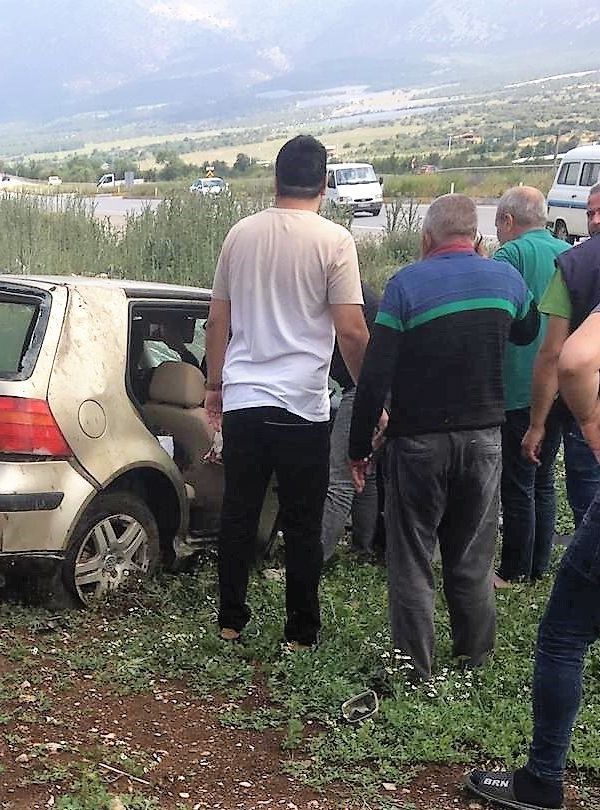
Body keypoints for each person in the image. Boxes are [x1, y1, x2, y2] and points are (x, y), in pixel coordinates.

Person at [465, 183, 600, 810]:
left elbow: (566, 356)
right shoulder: (562, 252)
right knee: (552, 489)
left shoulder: (581, 266)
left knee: (564, 634)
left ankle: (541, 781)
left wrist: (588, 417)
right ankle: (530, 561)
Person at [348, 194, 540, 681]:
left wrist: (358, 448)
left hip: (417, 443)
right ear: (476, 237)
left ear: (426, 238)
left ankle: (415, 668)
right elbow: (527, 330)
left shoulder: (405, 285)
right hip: (484, 439)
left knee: (412, 558)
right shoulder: (505, 278)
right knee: (473, 555)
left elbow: (374, 375)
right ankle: (474, 661)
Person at [204, 134, 370, 648]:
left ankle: (230, 621)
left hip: (245, 400)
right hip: (303, 405)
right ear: (325, 184)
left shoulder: (240, 234)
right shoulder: (335, 241)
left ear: (275, 180)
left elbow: (217, 320)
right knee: (302, 522)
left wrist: (214, 387)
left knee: (239, 514)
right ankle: (300, 630)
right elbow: (352, 331)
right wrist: (371, 395)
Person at [522, 150, 600, 528]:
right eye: (588, 213)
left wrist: (540, 423)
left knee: (593, 515)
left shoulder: (575, 263)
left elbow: (557, 354)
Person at [491, 187, 571, 588]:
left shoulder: (509, 256)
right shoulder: (567, 253)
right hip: (560, 387)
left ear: (508, 221)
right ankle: (539, 566)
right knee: (543, 478)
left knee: (517, 482)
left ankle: (513, 570)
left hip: (518, 387)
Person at [321, 282, 383, 564]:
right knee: (364, 472)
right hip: (383, 385)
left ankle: (316, 557)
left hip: (364, 388)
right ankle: (363, 549)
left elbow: (352, 336)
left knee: (340, 477)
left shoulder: (344, 294)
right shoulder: (360, 292)